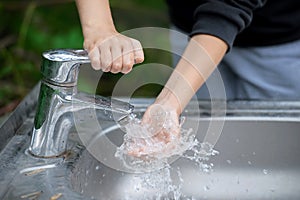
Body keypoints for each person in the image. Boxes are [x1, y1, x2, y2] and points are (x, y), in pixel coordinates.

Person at [75, 0, 300, 156]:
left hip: (278, 44)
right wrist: (99, 28)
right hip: (191, 31)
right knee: (201, 144)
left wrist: (169, 102)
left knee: (273, 151)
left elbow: (230, 6)